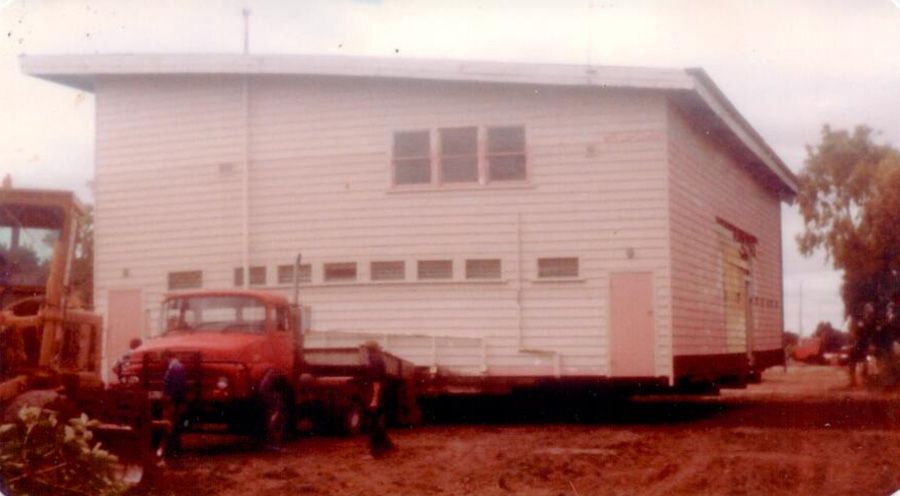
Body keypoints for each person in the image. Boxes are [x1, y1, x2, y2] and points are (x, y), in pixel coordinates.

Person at [363, 341, 394, 458]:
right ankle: (388, 446)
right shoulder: (378, 358)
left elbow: (376, 382)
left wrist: (374, 399)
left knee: (373, 423)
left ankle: (375, 452)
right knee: (376, 422)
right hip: (383, 394)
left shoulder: (374, 361)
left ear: (369, 349)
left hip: (378, 394)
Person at [160, 350, 187, 458]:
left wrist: (170, 397)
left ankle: (172, 451)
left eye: (162, 359)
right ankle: (174, 451)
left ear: (167, 356)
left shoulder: (174, 367)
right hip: (175, 401)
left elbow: (176, 385)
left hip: (173, 402)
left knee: (170, 425)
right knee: (173, 426)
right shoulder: (176, 367)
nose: (162, 362)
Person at [849, 302, 876, 387]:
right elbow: (857, 331)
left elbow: (873, 334)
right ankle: (853, 381)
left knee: (865, 362)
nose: (867, 311)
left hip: (866, 343)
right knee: (852, 360)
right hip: (859, 343)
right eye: (866, 309)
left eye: (869, 309)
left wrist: (871, 344)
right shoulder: (862, 320)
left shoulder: (873, 322)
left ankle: (866, 381)